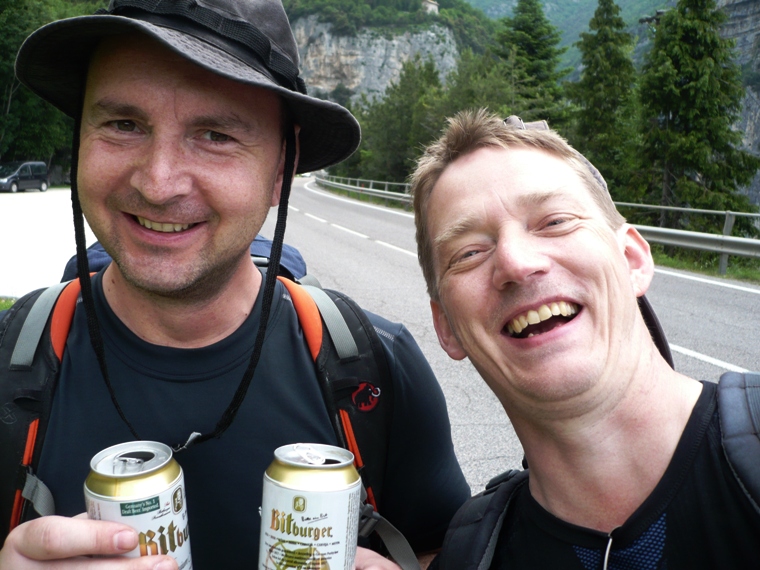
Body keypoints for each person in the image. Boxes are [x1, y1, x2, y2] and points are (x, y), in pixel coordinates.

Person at [0, 1, 471, 568]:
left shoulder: (373, 369)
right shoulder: (10, 362)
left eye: (215, 134)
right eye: (123, 124)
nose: (158, 182)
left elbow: (438, 550)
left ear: (280, 171)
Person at [407, 109, 760, 568]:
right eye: (469, 252)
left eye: (554, 221)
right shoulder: (470, 556)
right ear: (447, 328)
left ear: (632, 259)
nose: (516, 262)